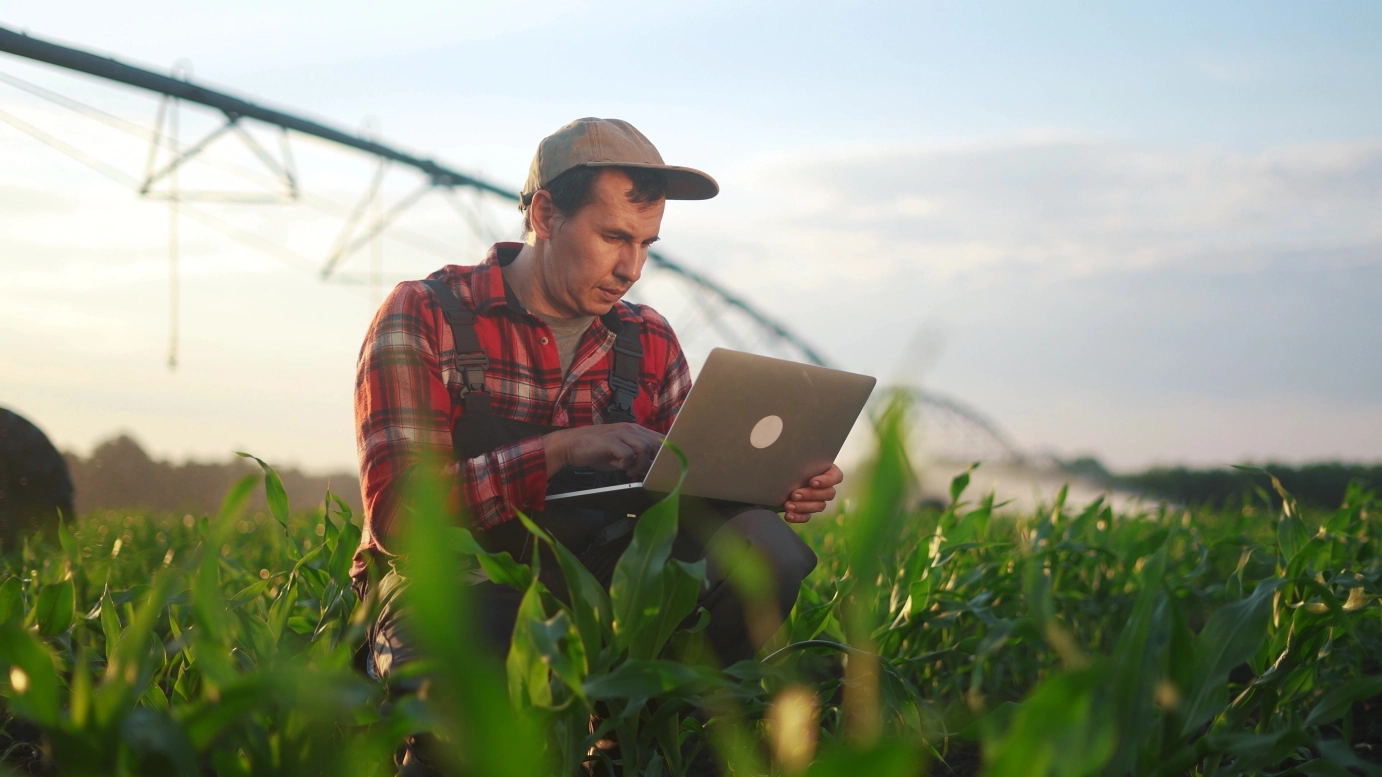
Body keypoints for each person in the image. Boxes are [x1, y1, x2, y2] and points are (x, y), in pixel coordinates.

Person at [351, 117, 844, 731]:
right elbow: (401, 514)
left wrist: (769, 485)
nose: (631, 267)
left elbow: (688, 498)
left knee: (762, 548)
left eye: (646, 244)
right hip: (448, 587)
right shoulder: (426, 315)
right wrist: (559, 450)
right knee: (472, 726)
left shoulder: (650, 339)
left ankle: (650, 734)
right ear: (547, 215)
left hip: (598, 579)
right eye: (613, 237)